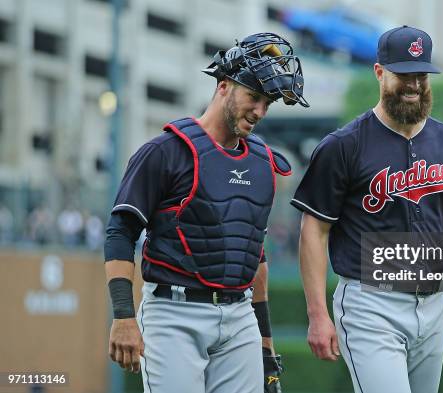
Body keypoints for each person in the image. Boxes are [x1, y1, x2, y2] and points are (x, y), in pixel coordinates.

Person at [291, 26, 443, 393]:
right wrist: (317, 313)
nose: (414, 84)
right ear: (379, 72)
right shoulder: (343, 146)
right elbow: (314, 229)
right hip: (369, 305)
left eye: (421, 75)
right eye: (403, 74)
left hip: (434, 305)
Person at [104, 32, 308, 393]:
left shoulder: (262, 162)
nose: (260, 111)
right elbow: (121, 232)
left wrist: (265, 342)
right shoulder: (165, 151)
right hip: (173, 314)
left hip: (240, 317)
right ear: (224, 87)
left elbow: (252, 254)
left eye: (268, 102)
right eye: (254, 96)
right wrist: (123, 316)